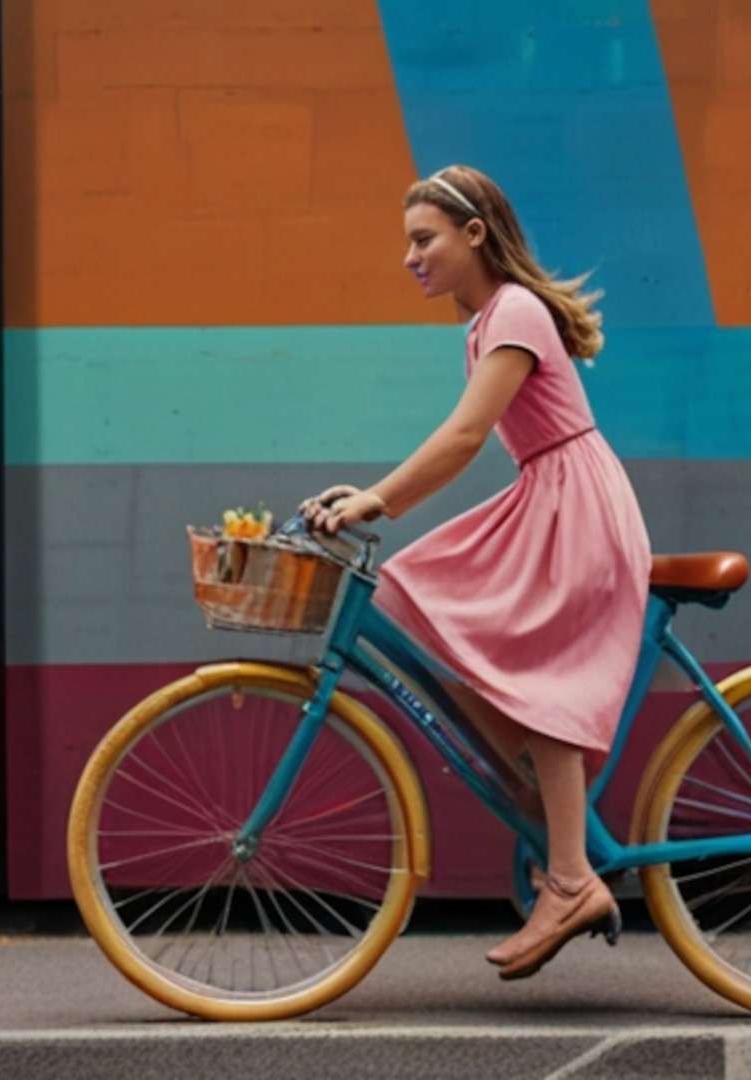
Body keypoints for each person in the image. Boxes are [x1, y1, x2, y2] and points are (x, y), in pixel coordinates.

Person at [301, 165, 652, 981]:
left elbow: (464, 438)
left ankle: (570, 878)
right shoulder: (490, 319)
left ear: (474, 235)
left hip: (576, 506)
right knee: (406, 591)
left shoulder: (517, 311)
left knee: (539, 672)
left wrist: (376, 501)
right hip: (553, 494)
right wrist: (377, 495)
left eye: (422, 240)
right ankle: (532, 787)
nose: (410, 258)